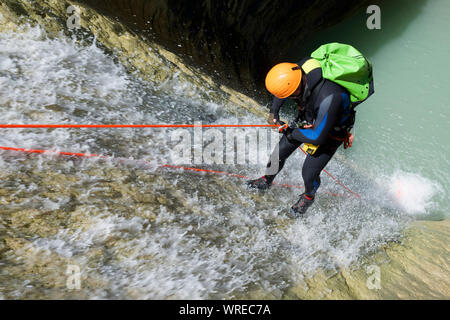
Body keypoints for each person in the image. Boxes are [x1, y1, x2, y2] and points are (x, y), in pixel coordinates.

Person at [246, 58, 365, 217]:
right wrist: (273, 113)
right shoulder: (296, 72)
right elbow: (283, 89)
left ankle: (308, 197)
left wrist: (290, 131)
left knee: (309, 172)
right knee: (278, 154)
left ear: (298, 86)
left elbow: (317, 137)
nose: (289, 97)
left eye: (291, 95)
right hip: (308, 118)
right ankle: (266, 180)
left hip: (331, 133)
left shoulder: (331, 96)